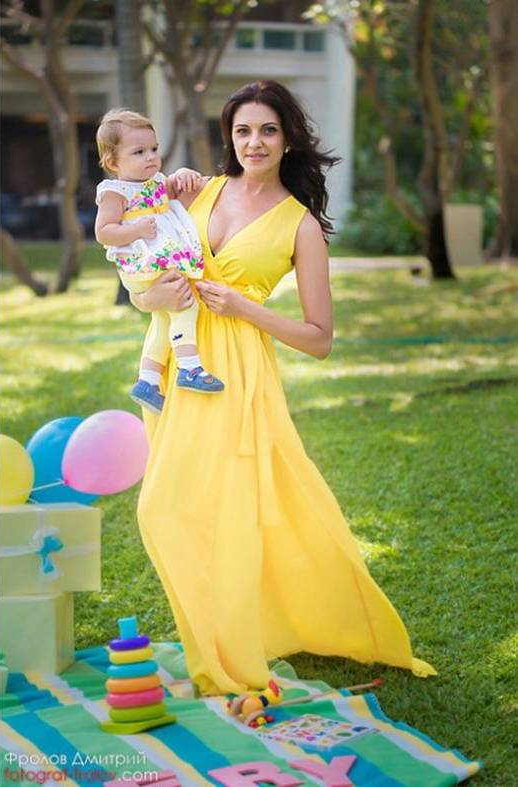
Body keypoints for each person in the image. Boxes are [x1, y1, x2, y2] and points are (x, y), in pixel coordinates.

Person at [132, 80, 435, 695]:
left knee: (176, 507)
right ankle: (218, 637)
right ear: (230, 138)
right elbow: (146, 276)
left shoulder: (301, 226)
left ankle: (226, 656)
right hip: (174, 360)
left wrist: (247, 308)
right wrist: (150, 296)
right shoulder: (200, 192)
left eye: (267, 129)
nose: (254, 141)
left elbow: (320, 337)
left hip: (236, 370)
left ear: (288, 137)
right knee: (177, 507)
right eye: (243, 130)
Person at [95, 109, 225, 413]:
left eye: (153, 149)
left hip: (158, 260)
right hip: (143, 262)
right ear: (114, 163)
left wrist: (181, 175)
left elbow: (176, 190)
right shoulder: (115, 191)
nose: (151, 157)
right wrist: (135, 230)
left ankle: (148, 380)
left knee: (164, 319)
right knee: (184, 303)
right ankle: (190, 367)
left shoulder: (154, 181)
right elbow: (103, 232)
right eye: (139, 152)